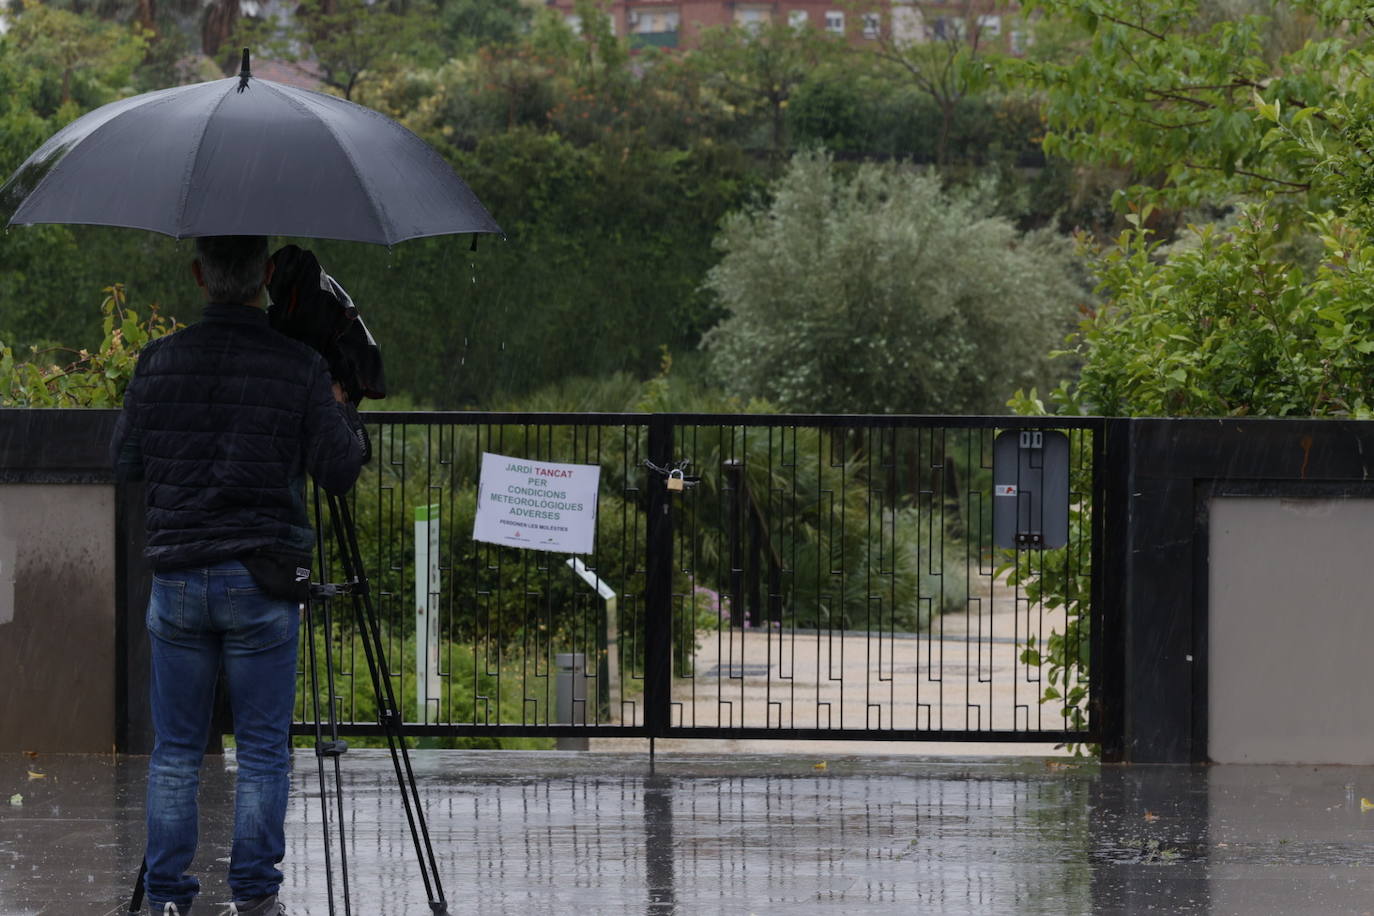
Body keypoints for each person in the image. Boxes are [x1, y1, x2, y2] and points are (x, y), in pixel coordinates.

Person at [112, 235, 364, 915]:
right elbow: (340, 469)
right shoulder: (298, 367)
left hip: (179, 579)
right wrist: (341, 399)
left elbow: (125, 459)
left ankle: (166, 896)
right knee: (261, 751)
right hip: (261, 581)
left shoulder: (158, 363)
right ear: (265, 280)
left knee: (175, 752)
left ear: (199, 274)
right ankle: (255, 898)